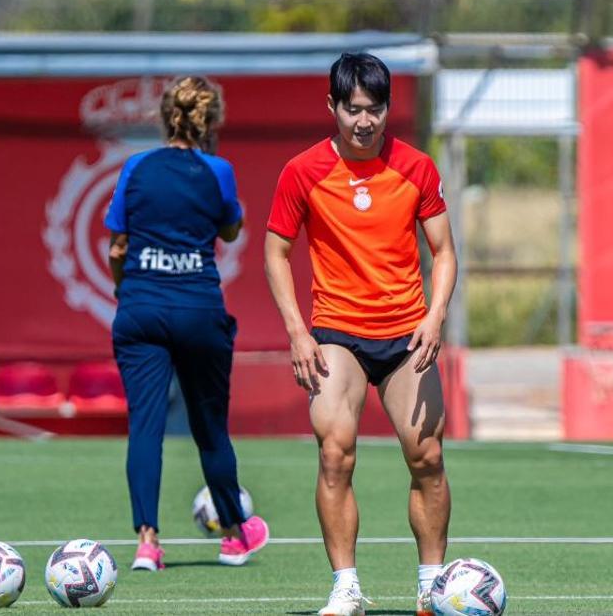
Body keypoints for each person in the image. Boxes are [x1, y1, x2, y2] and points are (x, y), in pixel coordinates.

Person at [264, 52, 458, 616]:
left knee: (427, 457)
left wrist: (435, 314)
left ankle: (432, 584)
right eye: (353, 110)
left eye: (375, 110)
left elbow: (444, 252)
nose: (365, 122)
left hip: (406, 337)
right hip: (337, 334)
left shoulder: (417, 167)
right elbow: (276, 252)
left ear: (387, 108)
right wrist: (298, 333)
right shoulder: (302, 171)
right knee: (335, 453)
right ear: (333, 107)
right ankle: (346, 586)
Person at [105, 75, 270, 573]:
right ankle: (235, 536)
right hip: (198, 310)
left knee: (145, 429)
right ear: (211, 121)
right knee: (211, 431)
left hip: (140, 310)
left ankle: (147, 545)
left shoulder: (135, 167)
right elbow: (231, 227)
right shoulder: (218, 171)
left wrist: (124, 288)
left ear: (164, 118)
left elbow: (118, 246)